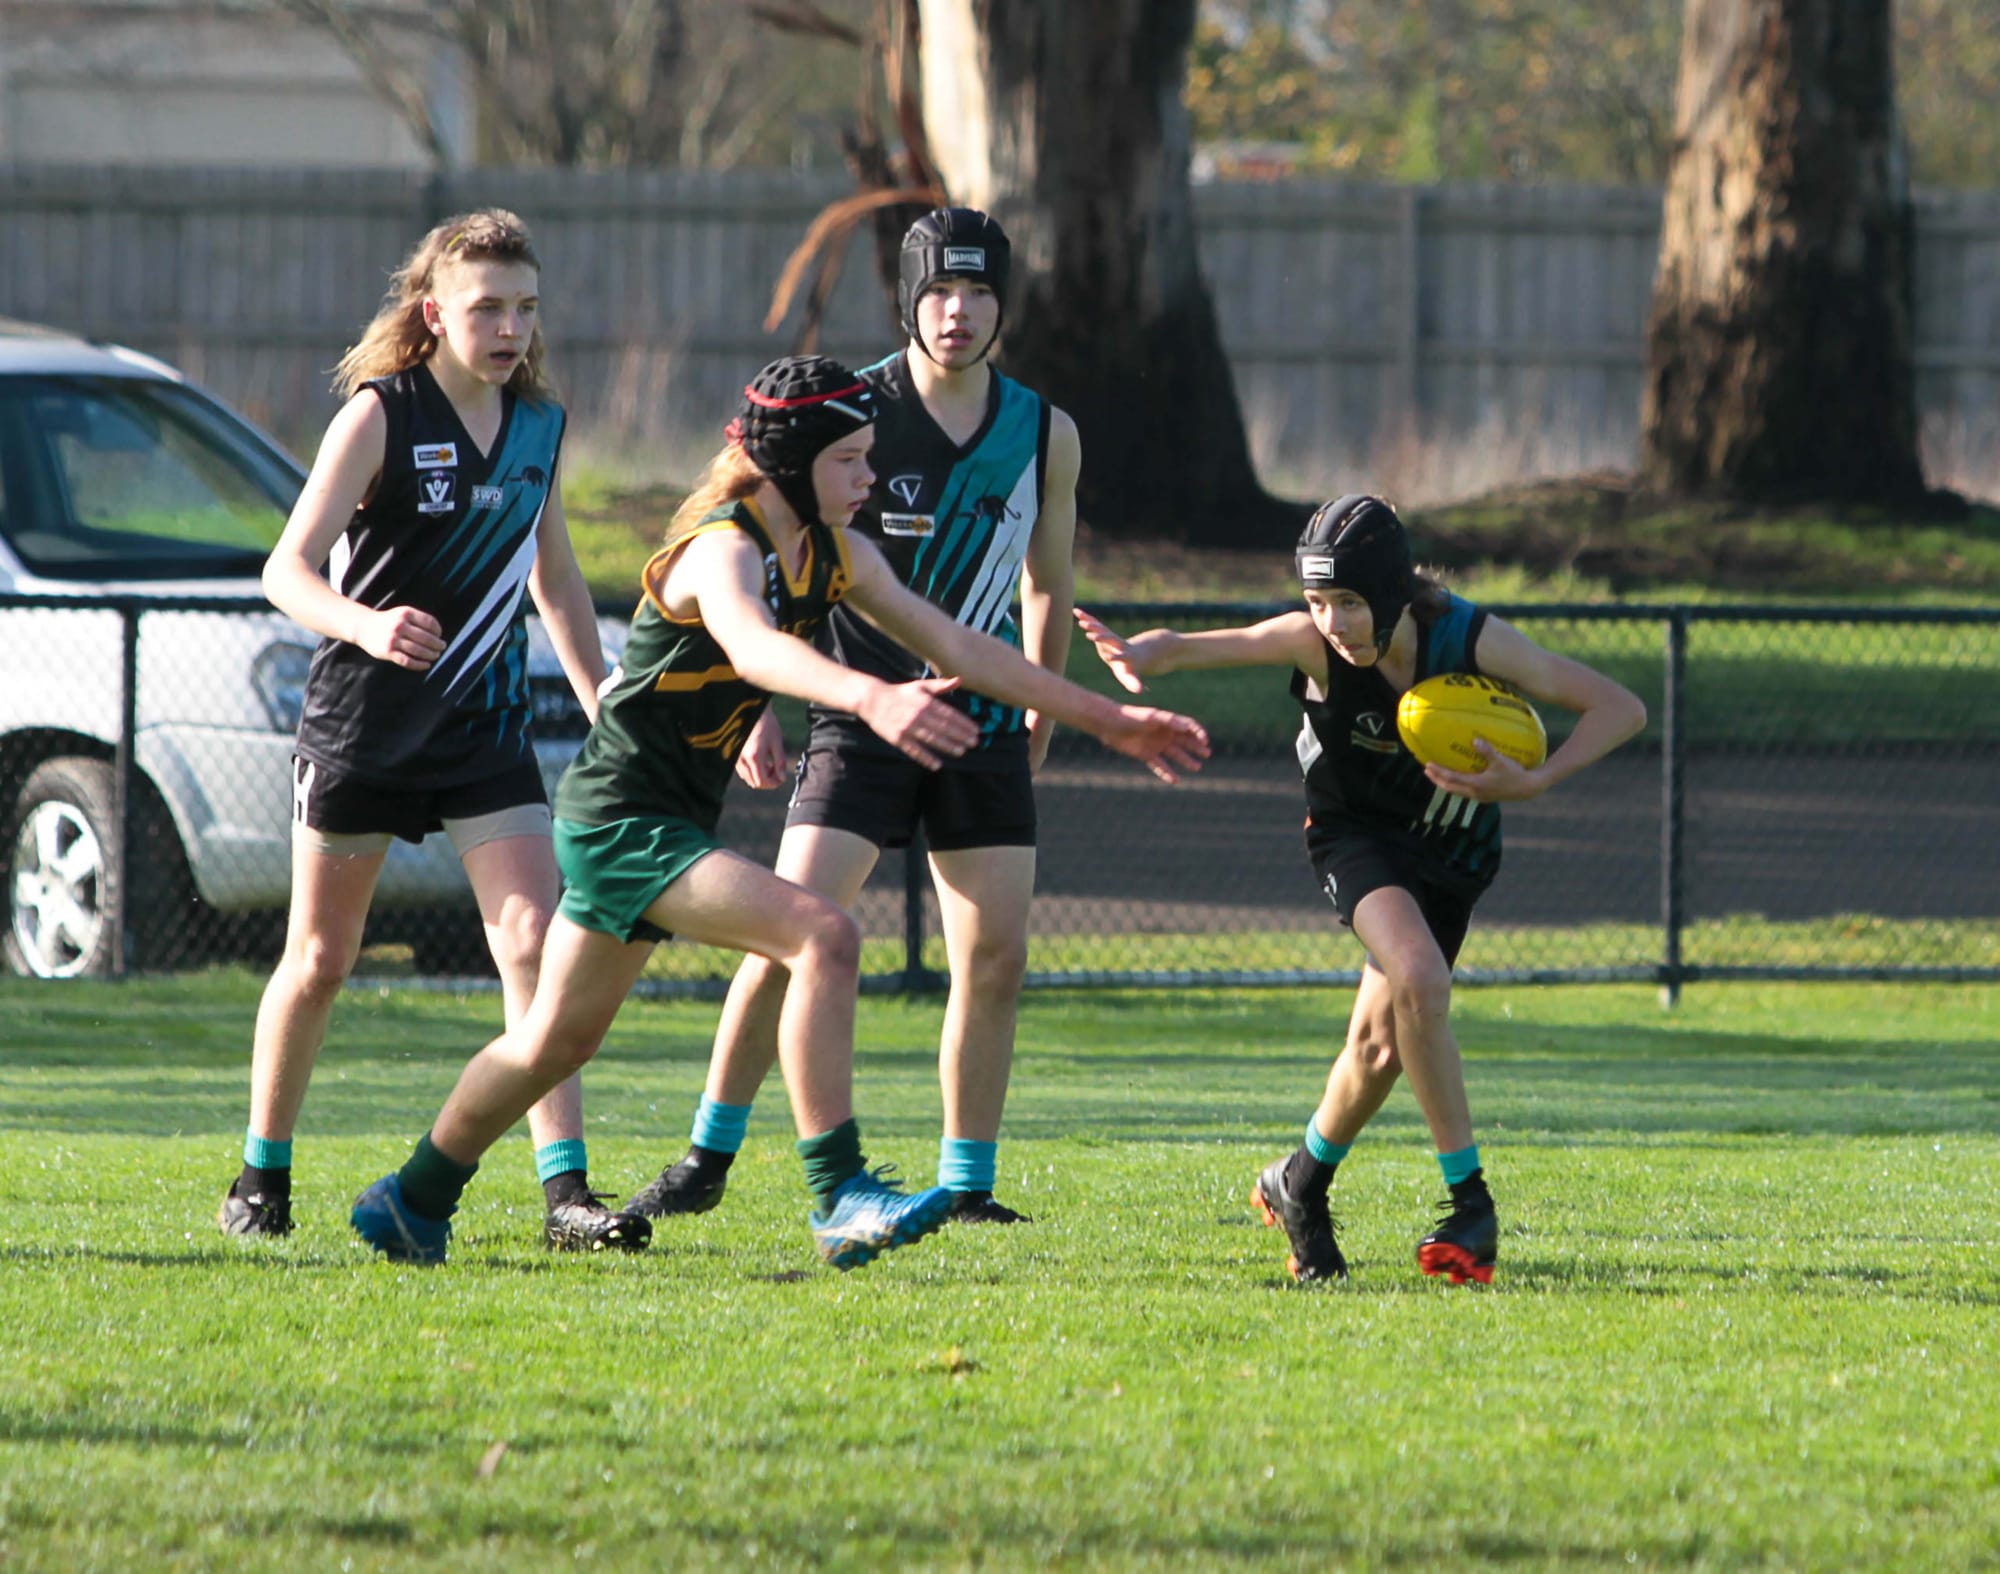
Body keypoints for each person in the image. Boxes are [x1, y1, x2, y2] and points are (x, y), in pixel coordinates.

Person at [348, 354, 1209, 1269]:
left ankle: (411, 1198)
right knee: (822, 936)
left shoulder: (838, 551)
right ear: (794, 464)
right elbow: (754, 647)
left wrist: (1110, 719)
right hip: (623, 820)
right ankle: (840, 1195)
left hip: (659, 819)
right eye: (851, 461)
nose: (870, 479)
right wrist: (871, 698)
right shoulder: (724, 547)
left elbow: (961, 644)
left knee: (553, 1042)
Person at [629, 207, 1076, 1227]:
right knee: (783, 941)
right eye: (936, 293)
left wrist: (1039, 704)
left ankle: (966, 1182)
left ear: (1003, 303)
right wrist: (749, 709)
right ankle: (706, 1153)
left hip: (981, 726)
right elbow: (737, 544)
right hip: (856, 716)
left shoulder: (1044, 431)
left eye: (976, 293)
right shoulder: (844, 408)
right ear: (907, 299)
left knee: (994, 955)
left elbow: (1048, 585)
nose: (956, 313)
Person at [1074, 495, 1646, 1286]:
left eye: (1348, 602)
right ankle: (1469, 1202)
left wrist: (1535, 780)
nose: (1331, 622)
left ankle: (1299, 1182)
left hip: (1453, 853)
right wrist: (1145, 654)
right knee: (1419, 977)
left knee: (1379, 1048)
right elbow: (1210, 644)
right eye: (1316, 601)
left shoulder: (1468, 639)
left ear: (1393, 595)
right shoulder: (1312, 645)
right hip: (1356, 840)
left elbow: (1621, 707)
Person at [216, 209, 647, 1254]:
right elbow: (287, 568)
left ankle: (565, 1195)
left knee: (536, 947)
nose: (510, 328)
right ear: (433, 312)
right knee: (321, 958)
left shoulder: (540, 425)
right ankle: (261, 1174)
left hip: (483, 730)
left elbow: (552, 576)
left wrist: (601, 695)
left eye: (526, 307)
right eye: (488, 306)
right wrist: (366, 622)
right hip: (363, 726)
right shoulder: (379, 415)